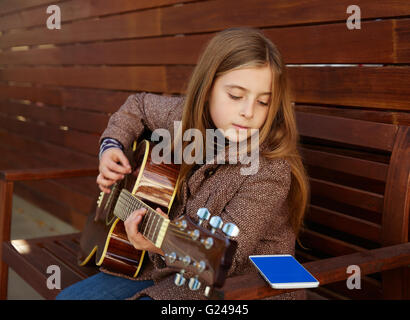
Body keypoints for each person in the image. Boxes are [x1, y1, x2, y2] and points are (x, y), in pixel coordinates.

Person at [56, 26, 309, 300]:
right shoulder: (182, 117)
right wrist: (111, 147)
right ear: (208, 87)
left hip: (232, 288)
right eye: (235, 96)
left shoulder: (269, 169)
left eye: (263, 102)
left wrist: (162, 245)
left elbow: (226, 258)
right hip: (161, 269)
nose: (248, 112)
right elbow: (137, 106)